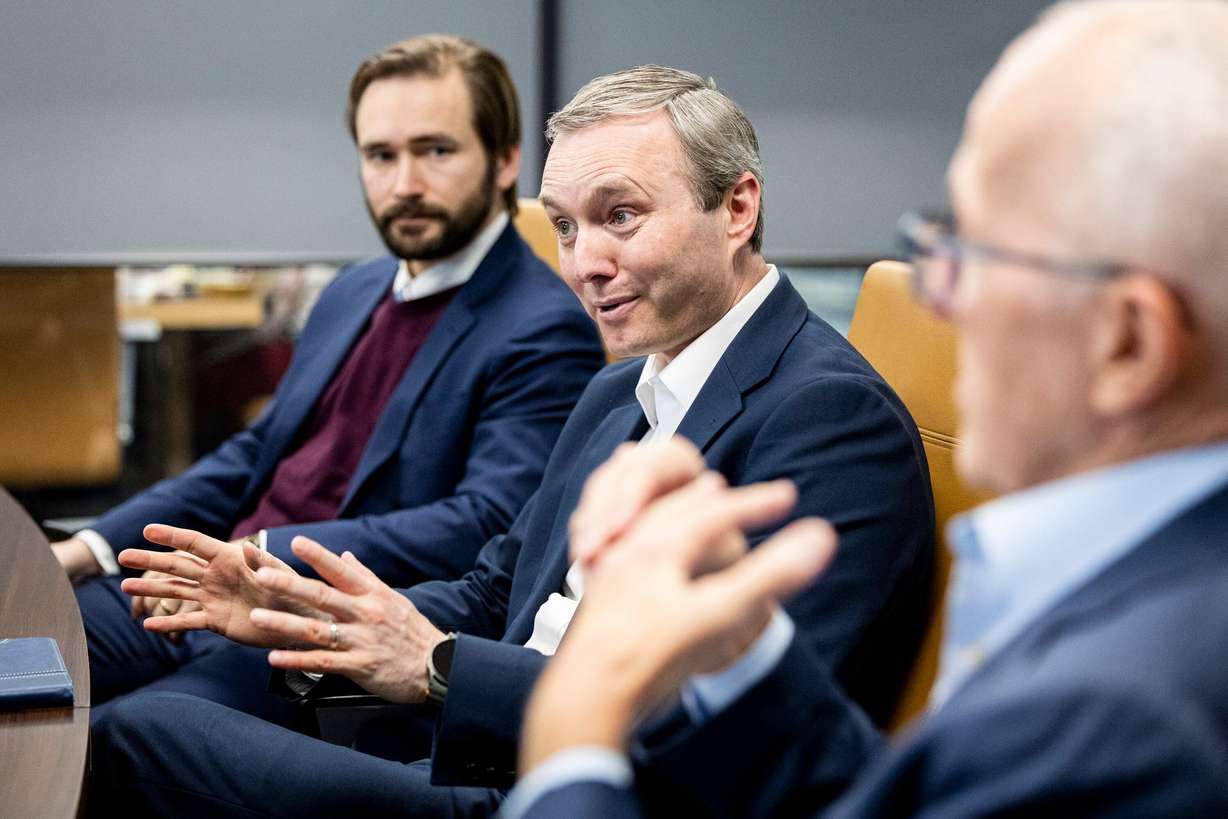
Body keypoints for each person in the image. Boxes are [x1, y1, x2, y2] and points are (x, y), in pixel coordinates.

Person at [89, 65, 935, 816]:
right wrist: (312, 614)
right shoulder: (621, 385)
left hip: (580, 789)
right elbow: (497, 589)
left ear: (737, 206)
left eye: (622, 216)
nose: (583, 263)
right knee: (169, 694)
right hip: (486, 745)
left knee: (131, 736)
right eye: (566, 227)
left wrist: (439, 666)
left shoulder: (831, 419)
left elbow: (738, 731)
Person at [503, 2, 1228, 816]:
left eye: (974, 252)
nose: (940, 304)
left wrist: (569, 746)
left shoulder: (1116, 722)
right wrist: (742, 655)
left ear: (1127, 344)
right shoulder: (1130, 601)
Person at [56, 34, 606, 719]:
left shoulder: (542, 325)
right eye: (381, 155)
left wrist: (258, 555)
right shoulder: (357, 287)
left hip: (304, 621)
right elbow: (259, 452)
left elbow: (485, 521)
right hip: (210, 583)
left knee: (101, 741)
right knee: (25, 647)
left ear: (504, 160)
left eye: (435, 151)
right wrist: (94, 544)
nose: (404, 183)